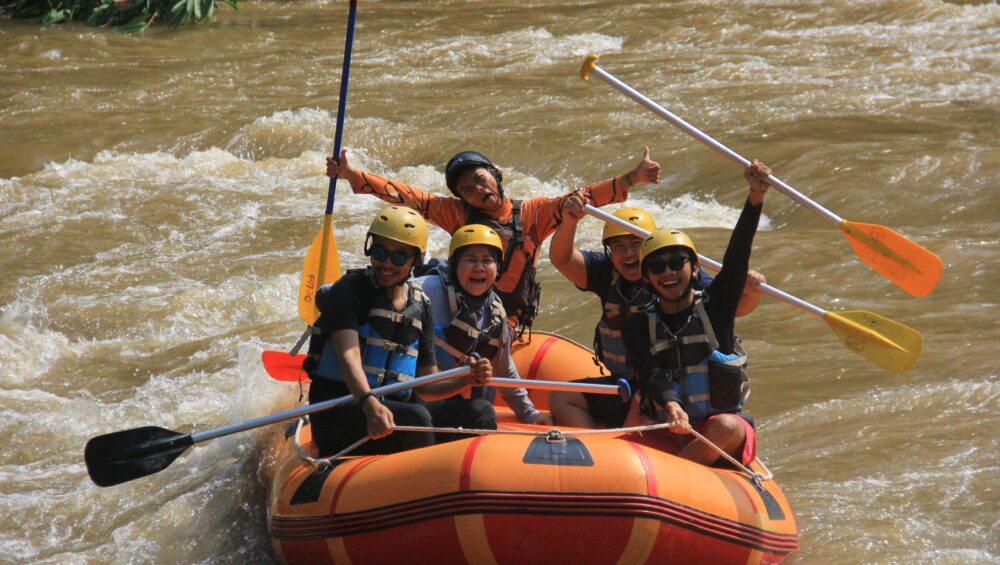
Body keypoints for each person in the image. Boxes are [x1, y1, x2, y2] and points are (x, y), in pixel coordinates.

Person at [326, 147, 661, 335]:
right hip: (458, 311)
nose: (477, 191)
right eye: (467, 190)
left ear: (495, 175)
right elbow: (406, 196)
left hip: (506, 323)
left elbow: (581, 197)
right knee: (424, 274)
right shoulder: (456, 213)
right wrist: (353, 176)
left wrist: (632, 177)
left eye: (480, 180)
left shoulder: (532, 214)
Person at [546, 203, 767, 429]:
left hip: (671, 383)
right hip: (630, 383)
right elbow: (562, 260)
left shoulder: (684, 275)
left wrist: (749, 291)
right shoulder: (606, 272)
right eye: (619, 246)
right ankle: (600, 452)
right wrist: (570, 220)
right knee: (562, 397)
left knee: (645, 403)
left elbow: (731, 308)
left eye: (636, 244)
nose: (629, 254)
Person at [303, 205, 494, 456]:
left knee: (480, 412)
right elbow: (348, 356)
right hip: (341, 410)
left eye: (400, 257)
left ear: (415, 260)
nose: (387, 263)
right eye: (380, 252)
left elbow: (427, 385)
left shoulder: (421, 305)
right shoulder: (350, 290)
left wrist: (467, 378)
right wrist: (369, 404)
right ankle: (427, 483)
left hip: (396, 411)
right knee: (415, 417)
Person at [621, 160, 772, 467]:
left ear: (693, 269)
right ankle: (676, 471)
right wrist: (672, 404)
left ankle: (676, 473)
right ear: (647, 277)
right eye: (657, 267)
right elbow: (651, 374)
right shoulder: (637, 325)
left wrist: (755, 196)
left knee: (725, 426)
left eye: (677, 262)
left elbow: (737, 254)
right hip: (675, 427)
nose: (668, 272)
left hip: (721, 433)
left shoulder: (717, 306)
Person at [414, 224, 554, 426]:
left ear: (497, 269)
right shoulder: (424, 290)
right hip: (414, 396)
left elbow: (504, 369)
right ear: (454, 264)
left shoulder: (496, 313)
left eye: (487, 261)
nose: (479, 267)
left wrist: (529, 414)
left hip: (450, 400)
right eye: (470, 259)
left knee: (483, 394)